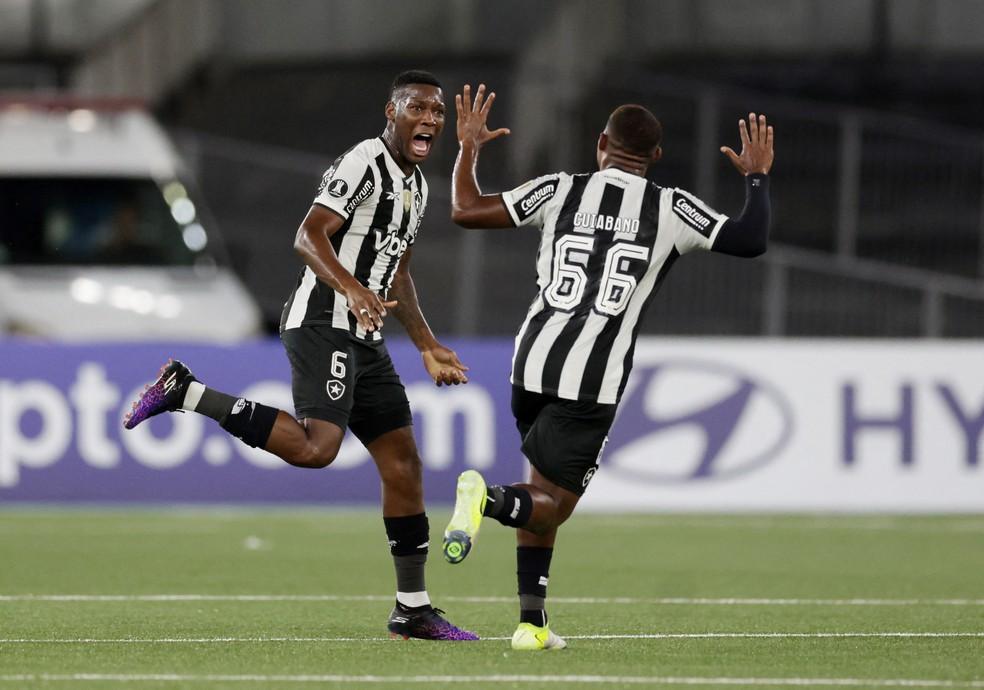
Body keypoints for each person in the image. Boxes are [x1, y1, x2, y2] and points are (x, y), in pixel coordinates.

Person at [124, 70, 477, 641]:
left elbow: (400, 272)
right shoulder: (363, 161)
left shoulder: (417, 186)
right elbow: (308, 236)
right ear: (392, 112)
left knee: (403, 463)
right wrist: (352, 288)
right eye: (420, 107)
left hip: (365, 334)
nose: (432, 119)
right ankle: (186, 392)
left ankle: (412, 608)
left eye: (439, 112)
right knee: (318, 450)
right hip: (321, 322)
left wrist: (427, 343)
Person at [443, 84, 774, 650]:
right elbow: (750, 240)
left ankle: (532, 623)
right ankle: (485, 500)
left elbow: (465, 210)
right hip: (591, 380)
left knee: (540, 492)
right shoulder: (671, 208)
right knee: (550, 506)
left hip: (530, 364)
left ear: (601, 144)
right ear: (657, 158)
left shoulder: (559, 189)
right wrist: (758, 177)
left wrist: (468, 148)